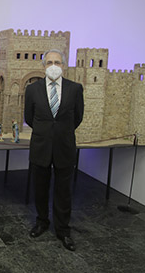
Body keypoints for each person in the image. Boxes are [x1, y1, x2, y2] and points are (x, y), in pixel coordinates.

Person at [24, 49, 84, 251]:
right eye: (49, 62)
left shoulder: (75, 89)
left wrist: (60, 133)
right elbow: (29, 117)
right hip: (40, 146)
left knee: (64, 192)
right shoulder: (33, 89)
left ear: (64, 66)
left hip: (65, 147)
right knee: (40, 188)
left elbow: (78, 118)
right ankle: (42, 222)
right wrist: (46, 132)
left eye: (57, 62)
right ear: (43, 66)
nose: (53, 66)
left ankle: (63, 230)